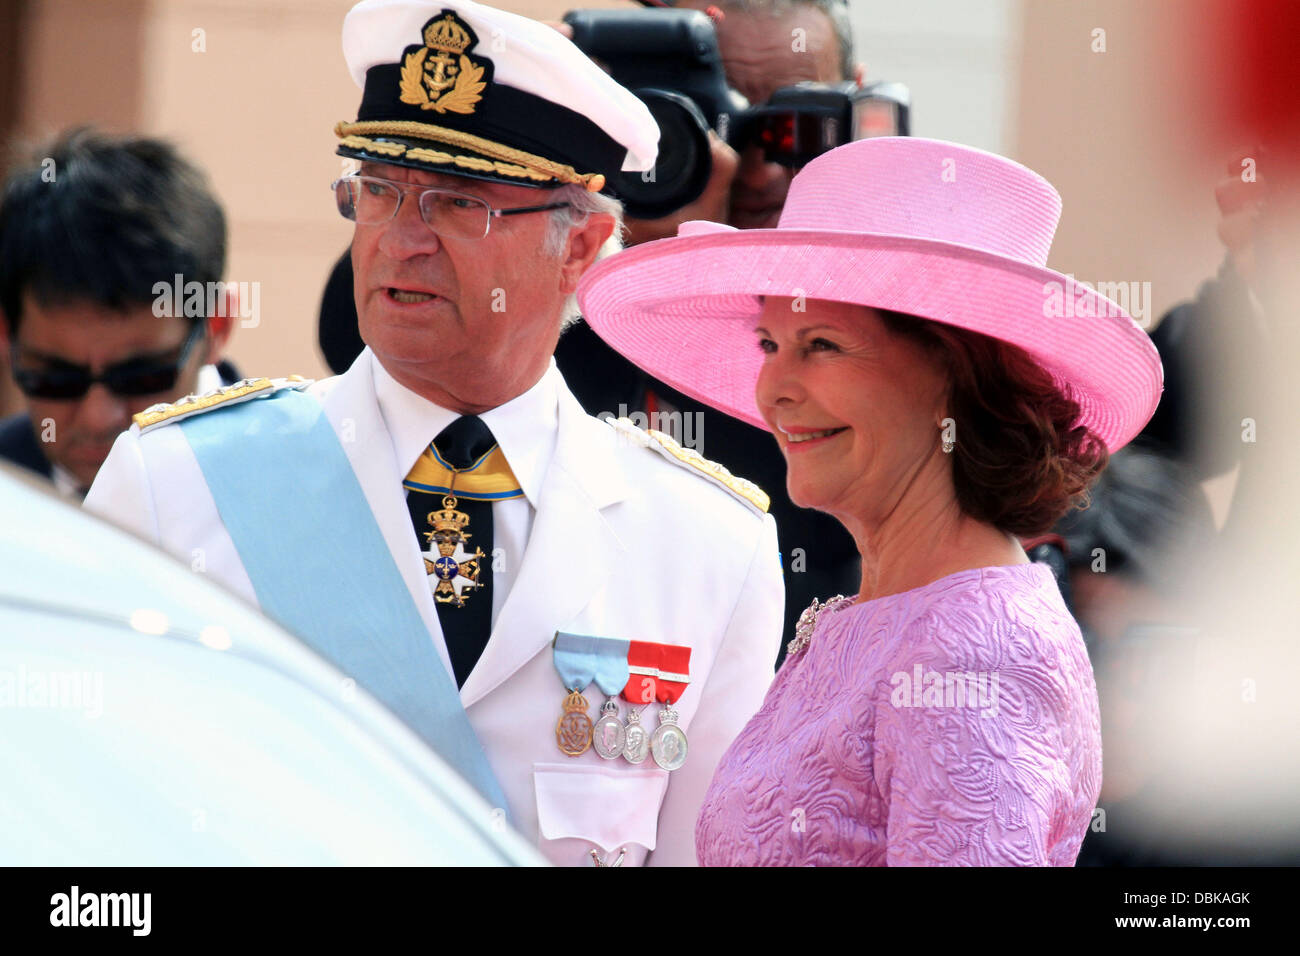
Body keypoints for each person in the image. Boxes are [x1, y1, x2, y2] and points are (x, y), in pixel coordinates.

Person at [84, 0, 783, 868]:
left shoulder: (708, 545)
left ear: (583, 243)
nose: (400, 240)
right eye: (377, 189)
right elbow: (87, 821)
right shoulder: (175, 482)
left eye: (458, 204)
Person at [578, 136, 1163, 865]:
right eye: (769, 344)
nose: (774, 389)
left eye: (820, 344)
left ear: (952, 371)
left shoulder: (972, 653)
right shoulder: (893, 609)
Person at [555, 0, 866, 663]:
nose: (752, 171)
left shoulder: (897, 288)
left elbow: (826, 525)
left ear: (854, 105)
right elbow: (361, 334)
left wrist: (707, 280)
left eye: (789, 131)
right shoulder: (576, 234)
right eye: (705, 128)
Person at [0, 128, 239, 499]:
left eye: (140, 376)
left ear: (216, 328)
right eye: (56, 379)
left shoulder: (301, 481)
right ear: (5, 335)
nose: (99, 417)